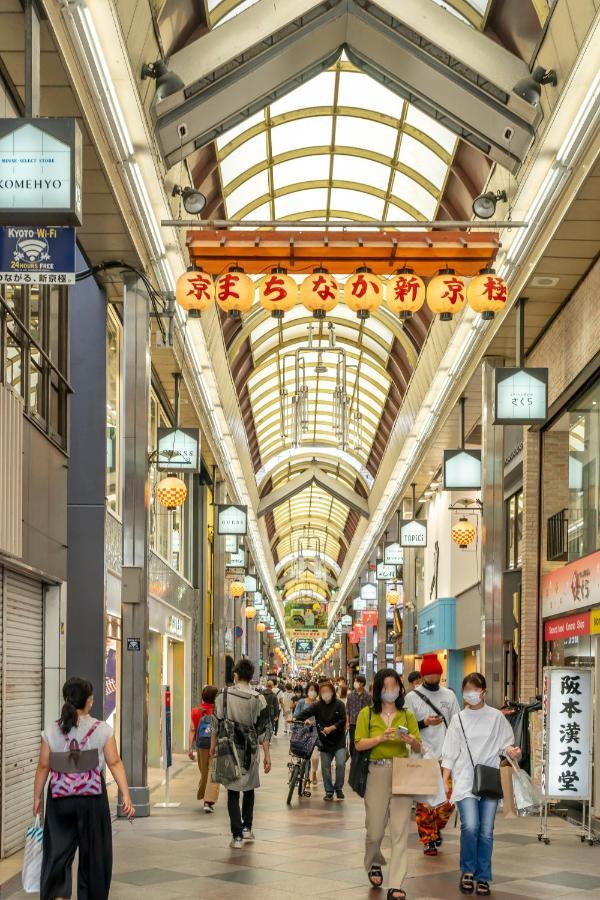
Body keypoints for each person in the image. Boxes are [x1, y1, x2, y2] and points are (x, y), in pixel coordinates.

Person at [33, 677, 135, 900]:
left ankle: (57, 895)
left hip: (60, 799)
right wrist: (125, 795)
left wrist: (37, 797)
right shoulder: (102, 730)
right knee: (95, 854)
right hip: (92, 799)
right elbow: (114, 762)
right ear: (89, 701)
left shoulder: (51, 731)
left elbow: (43, 766)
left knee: (57, 852)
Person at [441, 673, 521, 896]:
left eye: (475, 690)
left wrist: (511, 751)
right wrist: (444, 782)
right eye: (467, 690)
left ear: (484, 692)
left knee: (486, 831)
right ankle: (468, 871)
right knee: (471, 826)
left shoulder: (496, 717)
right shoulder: (458, 719)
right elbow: (449, 753)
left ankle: (483, 876)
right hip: (465, 780)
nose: (471, 695)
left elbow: (506, 745)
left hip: (489, 780)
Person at [354, 669, 421, 900]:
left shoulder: (407, 714)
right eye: (385, 687)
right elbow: (359, 744)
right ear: (378, 690)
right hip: (377, 770)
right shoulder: (367, 714)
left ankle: (396, 883)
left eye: (394, 687)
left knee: (400, 829)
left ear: (400, 689)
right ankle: (374, 860)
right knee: (374, 829)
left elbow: (419, 746)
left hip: (402, 772)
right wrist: (380, 738)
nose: (390, 691)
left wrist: (411, 740)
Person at [212, 658, 272, 849]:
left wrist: (213, 747)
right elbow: (264, 730)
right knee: (249, 788)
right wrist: (267, 756)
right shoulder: (258, 699)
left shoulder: (222, 696)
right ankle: (247, 827)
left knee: (232, 791)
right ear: (251, 677)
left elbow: (215, 724)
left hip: (229, 749)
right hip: (251, 750)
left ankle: (236, 835)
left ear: (235, 675)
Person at [404, 653, 460, 856]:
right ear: (423, 676)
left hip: (446, 756)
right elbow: (406, 727)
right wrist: (424, 723)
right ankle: (429, 839)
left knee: (448, 800)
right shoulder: (411, 698)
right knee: (425, 803)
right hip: (423, 755)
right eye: (430, 675)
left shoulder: (449, 696)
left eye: (437, 674)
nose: (434, 678)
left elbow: (457, 724)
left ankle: (437, 828)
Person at [295, 679, 347, 800]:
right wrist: (295, 718)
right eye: (323, 691)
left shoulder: (339, 704)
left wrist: (332, 728)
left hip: (339, 740)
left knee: (340, 764)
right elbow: (305, 712)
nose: (325, 693)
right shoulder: (317, 705)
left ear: (333, 692)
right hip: (324, 741)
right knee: (325, 767)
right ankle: (329, 791)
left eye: (328, 691)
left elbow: (343, 720)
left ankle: (338, 788)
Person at [189, 685, 220, 812]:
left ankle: (203, 795)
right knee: (213, 772)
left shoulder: (196, 711)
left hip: (201, 745)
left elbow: (192, 729)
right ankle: (208, 801)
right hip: (216, 745)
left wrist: (190, 748)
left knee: (204, 771)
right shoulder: (219, 711)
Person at [294, 681, 320, 785]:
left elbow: (323, 718)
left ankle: (313, 771)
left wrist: (313, 722)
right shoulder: (301, 702)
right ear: (307, 690)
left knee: (315, 756)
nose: (312, 692)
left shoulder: (319, 703)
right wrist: (296, 719)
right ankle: (305, 775)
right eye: (310, 690)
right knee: (303, 755)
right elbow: (296, 714)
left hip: (315, 732)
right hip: (302, 731)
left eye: (314, 690)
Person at [347, 673, 372, 757]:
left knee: (363, 740)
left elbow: (371, 709)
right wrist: (347, 722)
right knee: (352, 742)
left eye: (357, 681)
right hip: (353, 722)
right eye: (355, 681)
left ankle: (362, 758)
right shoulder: (350, 695)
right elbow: (348, 710)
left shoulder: (368, 696)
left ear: (362, 683)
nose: (355, 683)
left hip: (364, 723)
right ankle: (353, 759)